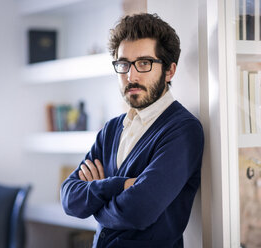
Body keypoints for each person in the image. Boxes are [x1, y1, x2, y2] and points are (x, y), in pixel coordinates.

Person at [60, 13, 204, 248]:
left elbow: (139, 210)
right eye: (123, 64)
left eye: (144, 63)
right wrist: (119, 185)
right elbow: (69, 198)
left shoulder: (183, 129)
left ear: (169, 71)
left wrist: (95, 203)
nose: (131, 76)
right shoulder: (112, 129)